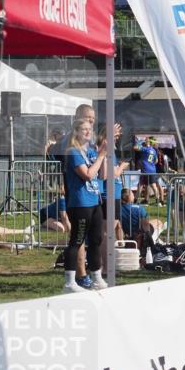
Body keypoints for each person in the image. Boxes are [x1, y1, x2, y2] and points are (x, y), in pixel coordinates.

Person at [63, 118, 108, 291]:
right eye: (84, 129)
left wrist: (103, 155)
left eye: (89, 129)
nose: (88, 132)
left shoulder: (90, 151)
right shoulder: (73, 152)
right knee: (77, 240)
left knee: (96, 239)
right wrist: (101, 155)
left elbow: (101, 175)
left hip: (95, 199)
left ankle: (96, 276)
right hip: (80, 203)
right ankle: (69, 282)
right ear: (76, 132)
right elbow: (87, 174)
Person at [137, 137, 161, 204]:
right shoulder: (153, 150)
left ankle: (135, 200)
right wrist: (150, 163)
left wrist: (140, 142)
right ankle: (157, 201)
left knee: (140, 185)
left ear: (148, 142)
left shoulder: (145, 149)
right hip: (152, 170)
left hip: (145, 170)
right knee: (153, 185)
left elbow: (135, 147)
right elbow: (156, 161)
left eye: (146, 141)